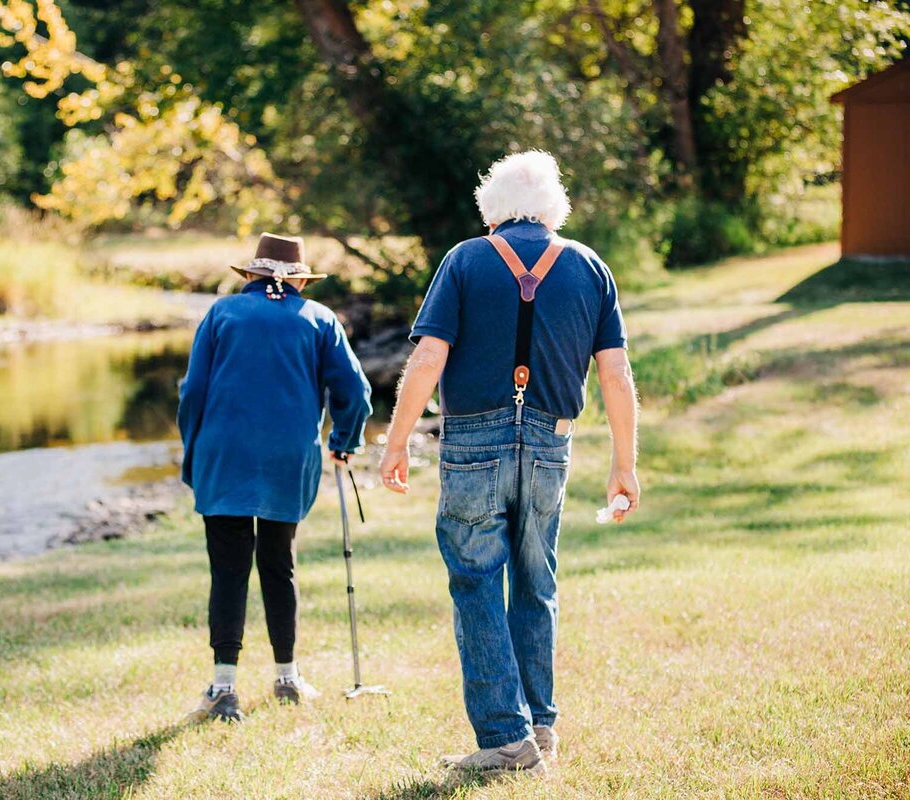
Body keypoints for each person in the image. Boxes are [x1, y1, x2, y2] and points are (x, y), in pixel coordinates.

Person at [378, 151, 640, 773]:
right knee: (535, 578)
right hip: (552, 439)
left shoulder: (465, 261)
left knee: (475, 581)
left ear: (489, 209)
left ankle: (505, 737)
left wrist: (396, 443)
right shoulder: (589, 267)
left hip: (472, 440)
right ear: (555, 207)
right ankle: (539, 725)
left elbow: (426, 359)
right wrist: (623, 464)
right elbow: (616, 372)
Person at [178, 232, 372, 723]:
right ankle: (287, 677)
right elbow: (355, 390)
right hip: (289, 457)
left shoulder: (221, 314)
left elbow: (193, 392)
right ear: (298, 279)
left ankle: (223, 688)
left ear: (252, 276)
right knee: (278, 563)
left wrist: (192, 452)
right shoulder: (319, 318)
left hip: (223, 454)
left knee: (228, 570)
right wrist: (344, 439)